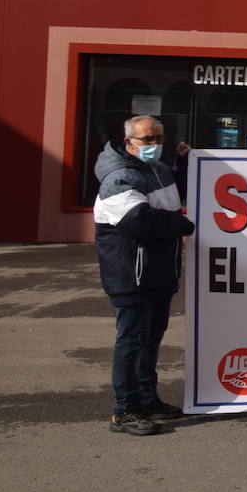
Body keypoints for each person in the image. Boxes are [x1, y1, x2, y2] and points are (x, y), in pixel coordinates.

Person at [94, 115, 196, 435]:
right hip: (131, 274)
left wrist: (183, 160)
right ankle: (124, 410)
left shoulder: (158, 169)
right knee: (133, 340)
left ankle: (147, 399)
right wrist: (182, 225)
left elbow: (181, 190)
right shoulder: (119, 177)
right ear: (129, 143)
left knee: (151, 339)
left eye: (158, 139)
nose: (154, 145)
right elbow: (139, 221)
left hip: (158, 272)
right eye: (147, 140)